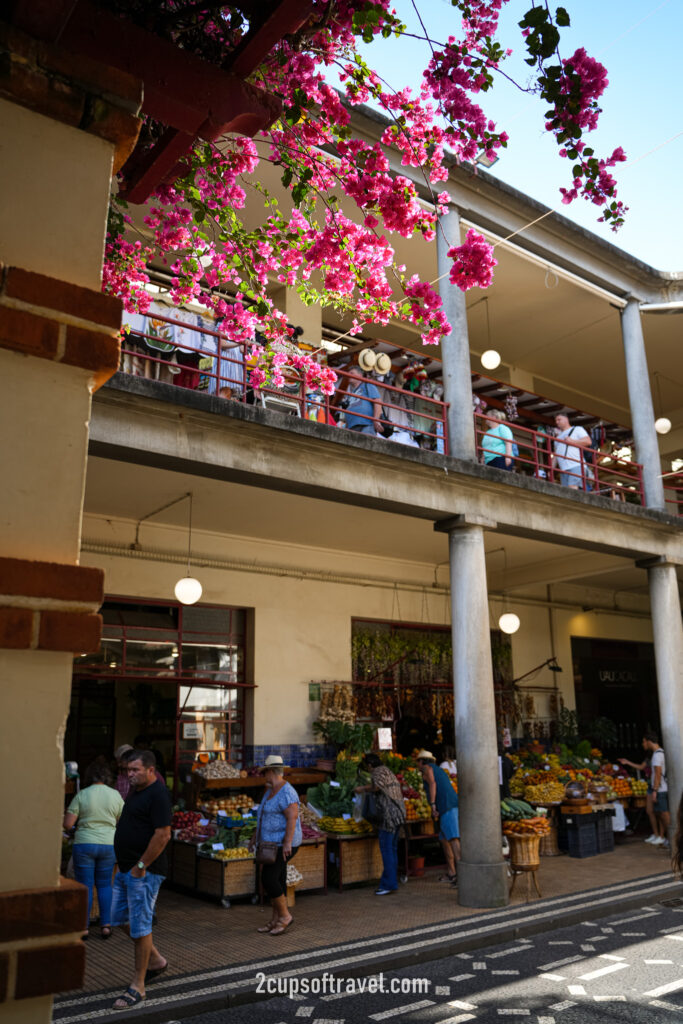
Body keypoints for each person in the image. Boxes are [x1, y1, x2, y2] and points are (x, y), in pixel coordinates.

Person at [110, 750, 172, 1011]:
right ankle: (156, 960)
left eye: (135, 770)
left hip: (144, 872)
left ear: (150, 770)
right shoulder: (137, 791)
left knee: (140, 924)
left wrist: (140, 866)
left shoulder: (158, 794)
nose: (129, 774)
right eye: (128, 770)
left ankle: (138, 985)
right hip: (126, 869)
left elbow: (163, 835)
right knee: (118, 918)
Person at [63, 760, 124, 940]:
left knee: (86, 886)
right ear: (107, 777)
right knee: (105, 884)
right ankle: (106, 926)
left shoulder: (82, 795)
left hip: (84, 844)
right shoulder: (115, 795)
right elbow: (123, 822)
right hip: (108, 844)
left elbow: (68, 824)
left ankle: (84, 928)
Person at [251, 754, 301, 935]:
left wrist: (287, 843)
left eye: (265, 772)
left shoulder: (287, 792)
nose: (264, 776)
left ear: (271, 771)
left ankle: (285, 916)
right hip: (271, 844)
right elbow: (264, 814)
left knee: (269, 878)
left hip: (282, 844)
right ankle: (275, 920)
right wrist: (255, 837)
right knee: (278, 879)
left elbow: (292, 817)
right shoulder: (270, 790)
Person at [355, 753, 406, 896]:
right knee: (393, 848)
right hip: (399, 814)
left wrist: (362, 789)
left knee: (387, 849)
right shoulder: (387, 770)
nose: (368, 769)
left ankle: (388, 884)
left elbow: (377, 787)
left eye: (367, 767)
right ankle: (392, 882)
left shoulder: (378, 772)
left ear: (370, 765)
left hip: (388, 816)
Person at [416, 749, 460, 884]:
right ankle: (452, 872)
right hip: (446, 805)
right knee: (444, 840)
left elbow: (433, 784)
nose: (417, 764)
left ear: (422, 761)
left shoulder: (428, 769)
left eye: (417, 761)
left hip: (446, 805)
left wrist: (433, 804)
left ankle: (463, 875)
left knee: (453, 838)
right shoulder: (438, 769)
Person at [619, 731, 669, 846]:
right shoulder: (653, 755)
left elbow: (658, 773)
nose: (643, 744)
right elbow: (642, 767)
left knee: (663, 814)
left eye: (643, 741)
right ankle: (658, 835)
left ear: (648, 741)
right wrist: (627, 762)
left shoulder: (658, 755)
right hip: (654, 786)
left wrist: (655, 790)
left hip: (659, 788)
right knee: (652, 811)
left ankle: (667, 836)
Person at [552, 413, 593, 489]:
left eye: (559, 419)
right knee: (567, 490)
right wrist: (551, 468)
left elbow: (588, 441)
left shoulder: (577, 429)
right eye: (556, 420)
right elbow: (556, 454)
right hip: (563, 468)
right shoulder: (557, 438)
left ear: (566, 419)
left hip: (576, 464)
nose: (557, 422)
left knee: (572, 487)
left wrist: (572, 441)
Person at [339, 363, 381, 435]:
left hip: (366, 424)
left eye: (352, 373)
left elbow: (377, 402)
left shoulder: (367, 385)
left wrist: (376, 420)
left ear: (360, 375)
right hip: (351, 426)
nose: (349, 375)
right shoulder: (351, 394)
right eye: (348, 373)